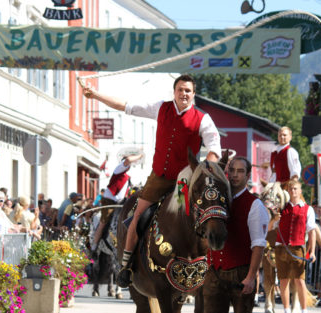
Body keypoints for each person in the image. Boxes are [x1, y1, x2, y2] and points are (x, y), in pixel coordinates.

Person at [82, 74, 221, 286]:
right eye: (180, 89)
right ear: (174, 92)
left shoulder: (204, 119)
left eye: (188, 91)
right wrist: (96, 95)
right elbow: (126, 105)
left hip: (184, 181)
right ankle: (126, 266)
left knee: (194, 218)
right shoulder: (160, 107)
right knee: (136, 217)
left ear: (193, 95)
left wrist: (203, 170)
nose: (184, 94)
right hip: (159, 177)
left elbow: (215, 149)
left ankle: (203, 266)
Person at [203, 157, 269, 313]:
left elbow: (258, 244)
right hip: (214, 272)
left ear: (247, 176)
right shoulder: (217, 200)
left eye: (240, 171)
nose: (234, 175)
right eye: (231, 170)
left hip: (241, 273)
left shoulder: (254, 204)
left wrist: (251, 277)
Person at [274, 180, 316, 313]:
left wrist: (313, 251)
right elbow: (270, 228)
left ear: (300, 191)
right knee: (283, 281)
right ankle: (286, 310)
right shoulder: (281, 207)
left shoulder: (308, 209)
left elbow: (311, 231)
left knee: (300, 281)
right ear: (288, 191)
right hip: (281, 247)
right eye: (291, 189)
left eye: (296, 189)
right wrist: (274, 219)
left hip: (298, 249)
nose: (293, 191)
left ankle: (304, 310)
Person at [91, 153, 144, 252]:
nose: (129, 165)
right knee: (104, 221)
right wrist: (139, 156)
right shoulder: (119, 169)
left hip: (120, 202)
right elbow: (128, 159)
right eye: (128, 163)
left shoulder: (127, 176)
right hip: (109, 201)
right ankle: (94, 245)